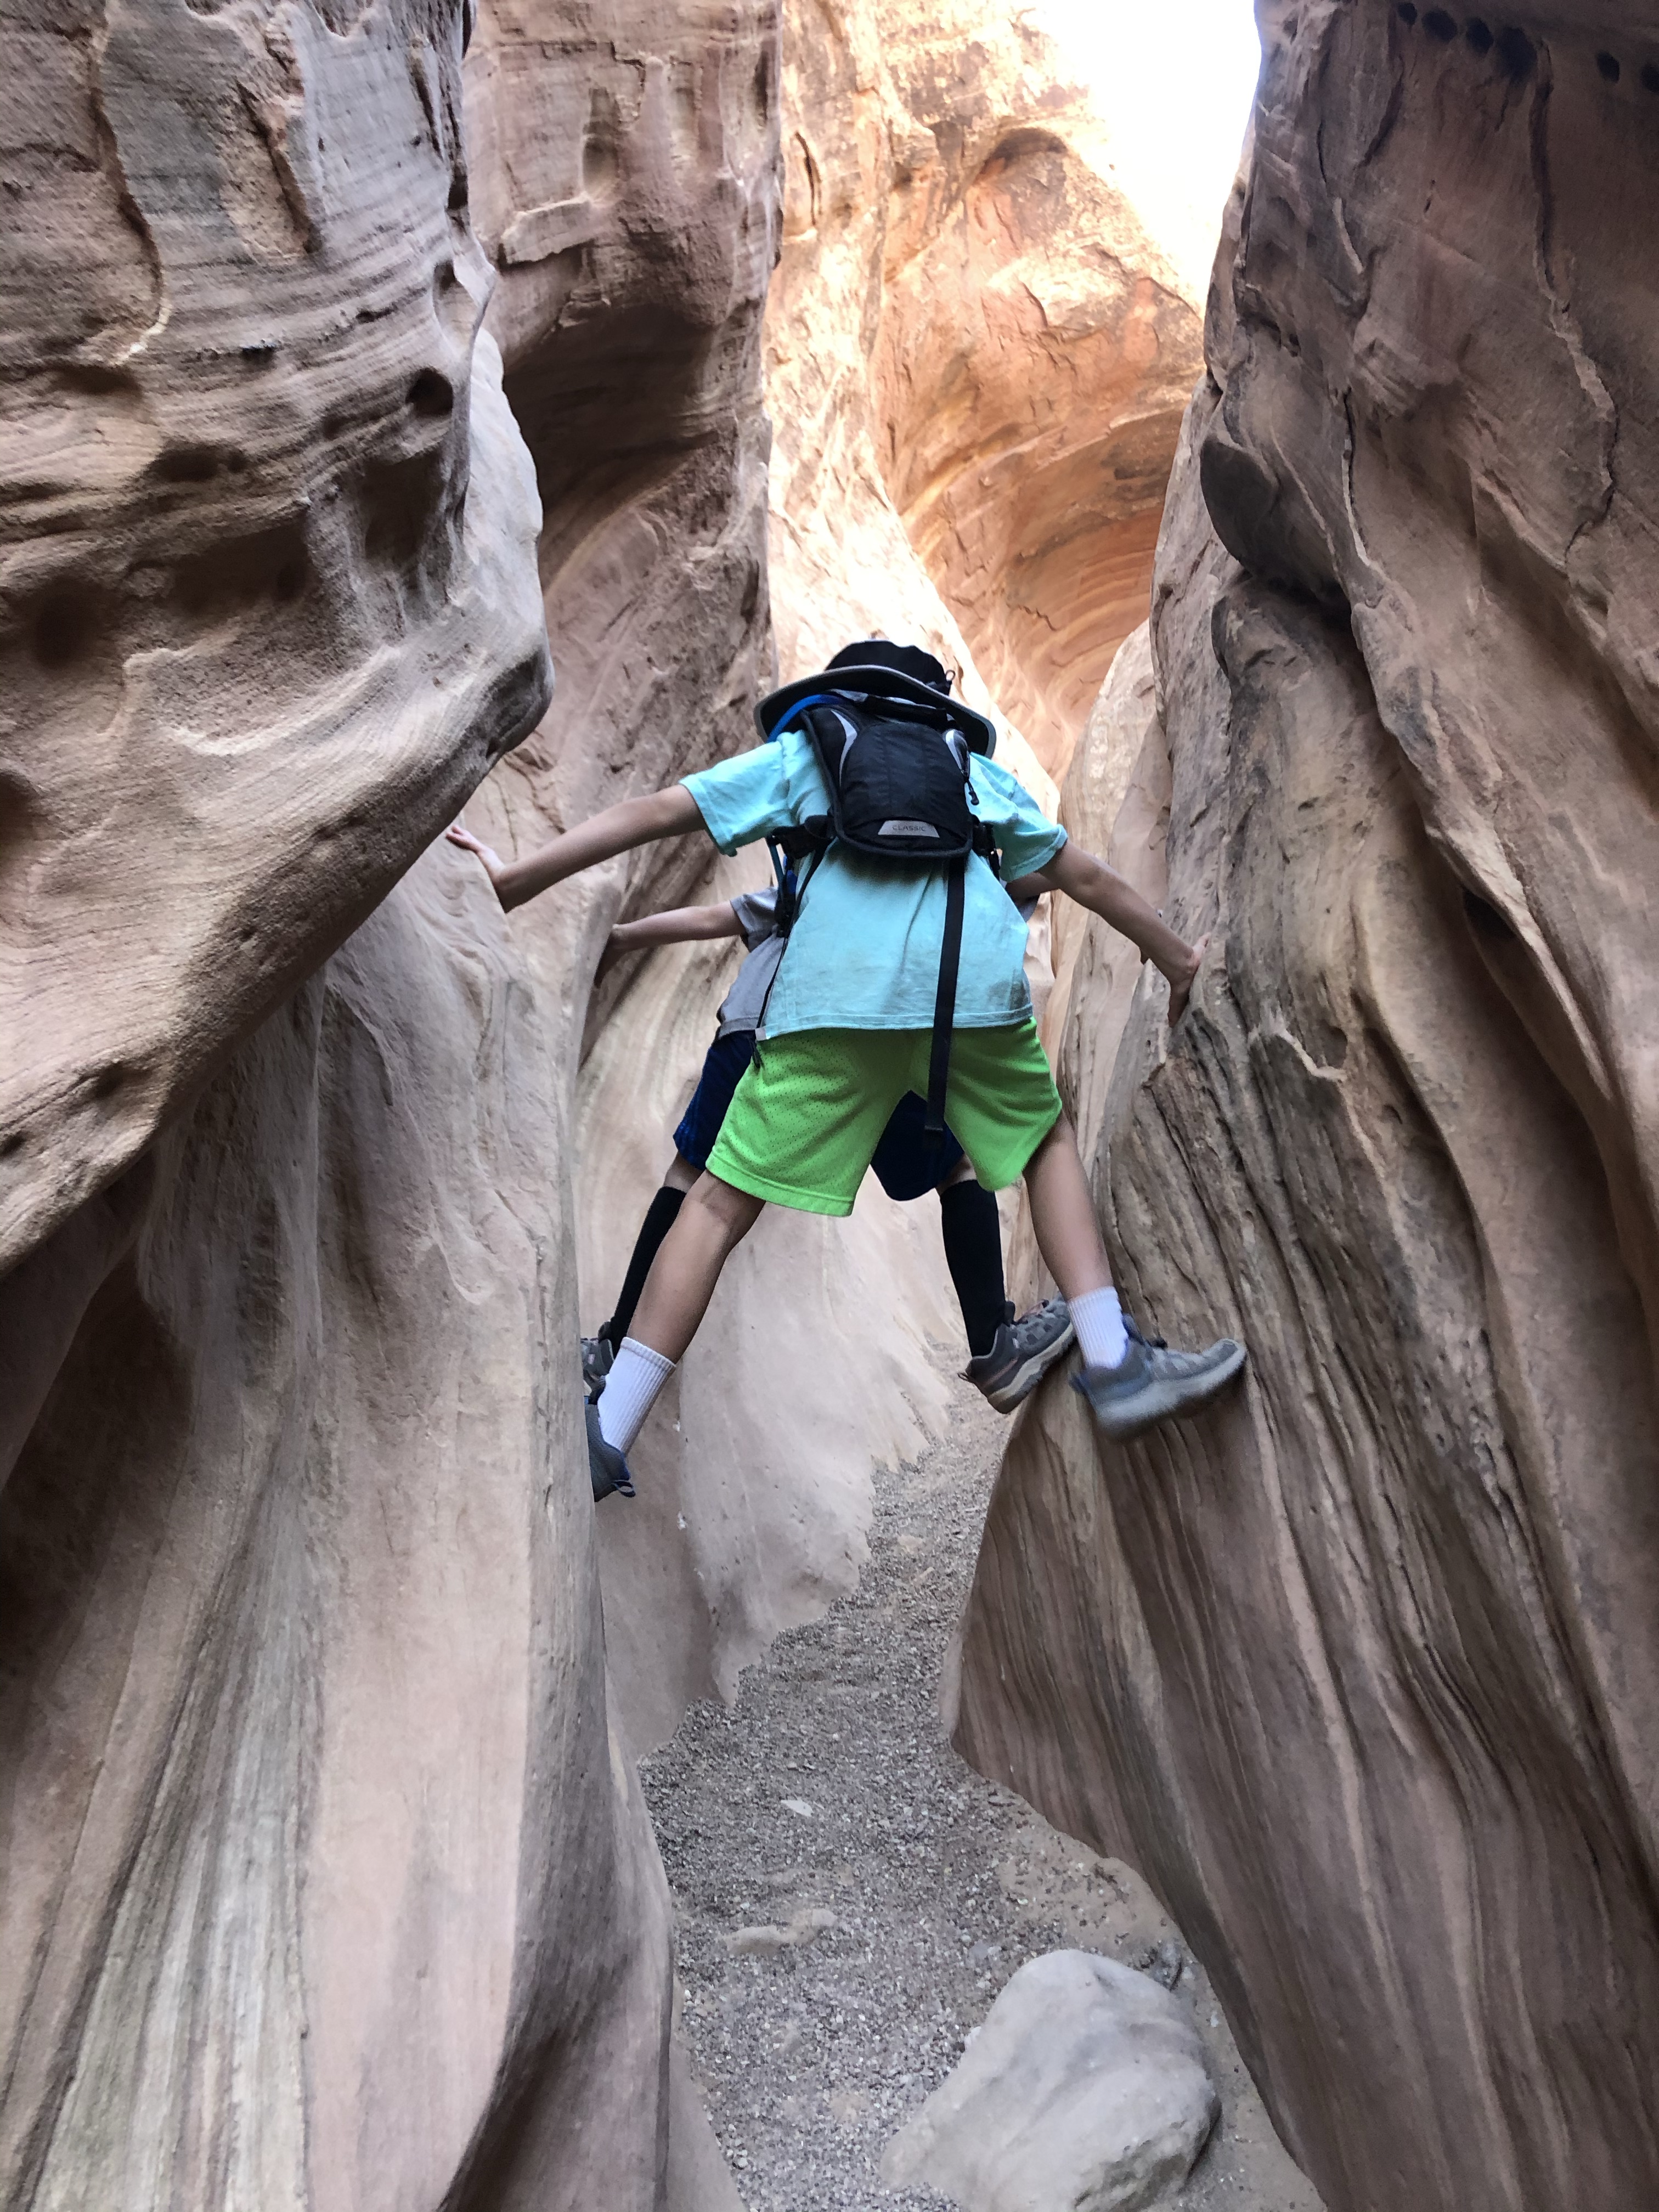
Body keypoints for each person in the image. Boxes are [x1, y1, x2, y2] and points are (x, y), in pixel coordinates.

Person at [449, 639, 1245, 1498]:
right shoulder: (967, 770)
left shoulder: (811, 752)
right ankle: (1114, 1359)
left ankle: (610, 1427)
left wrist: (515, 882)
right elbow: (1081, 874)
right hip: (965, 993)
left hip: (832, 999)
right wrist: (1178, 962)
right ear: (932, 707)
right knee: (1043, 1144)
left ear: (843, 694)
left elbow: (657, 812)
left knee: (715, 1203)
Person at [576, 885, 1075, 1418]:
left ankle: (617, 1350)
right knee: (956, 1167)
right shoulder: (890, 886)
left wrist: (621, 939)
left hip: (752, 1033)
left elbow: (713, 918)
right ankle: (994, 1344)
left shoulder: (811, 874)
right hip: (859, 1032)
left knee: (690, 1180)